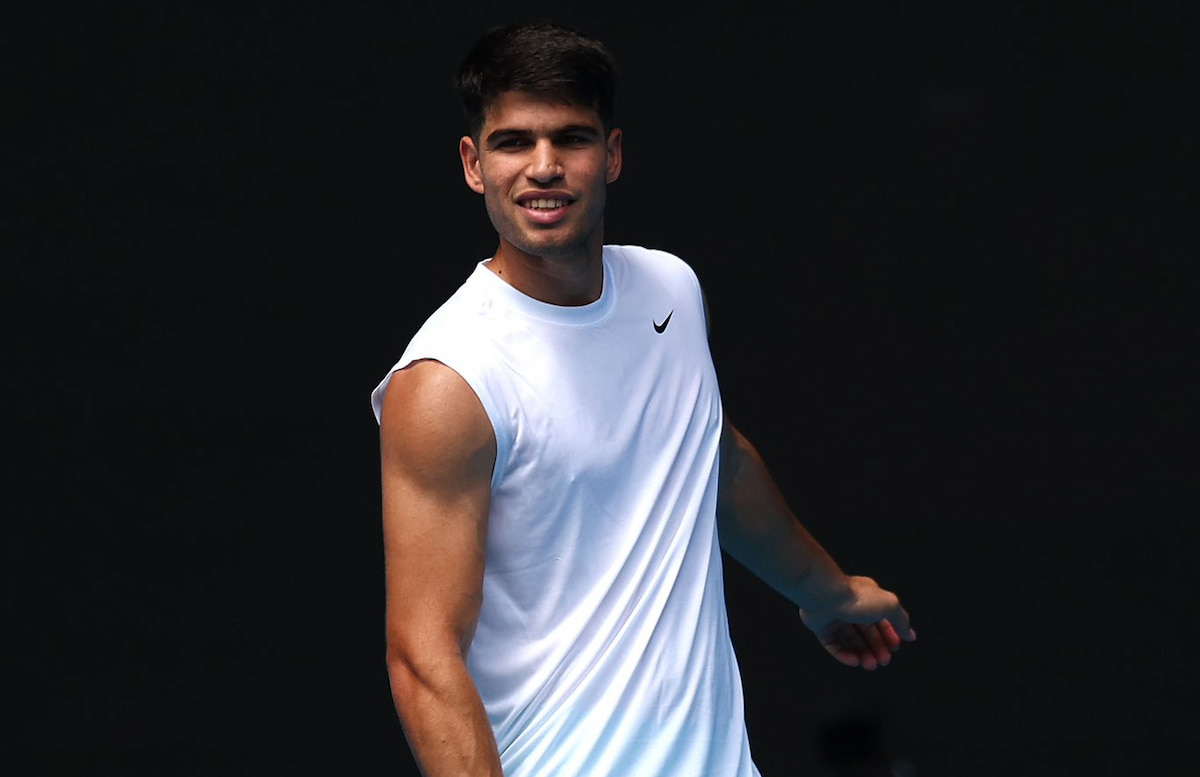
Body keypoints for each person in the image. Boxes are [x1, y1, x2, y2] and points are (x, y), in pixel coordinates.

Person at [371, 21, 917, 777]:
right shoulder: (447, 381)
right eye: (512, 143)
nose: (544, 167)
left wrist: (829, 591)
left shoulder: (670, 290)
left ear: (613, 154)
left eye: (572, 138)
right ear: (473, 164)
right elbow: (422, 658)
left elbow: (714, 462)